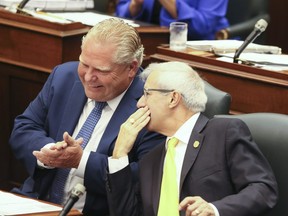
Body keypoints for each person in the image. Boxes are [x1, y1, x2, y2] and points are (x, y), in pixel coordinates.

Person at [9, 18, 165, 215]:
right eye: (84, 64)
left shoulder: (151, 103)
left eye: (101, 70)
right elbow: (24, 127)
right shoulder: (64, 76)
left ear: (131, 68)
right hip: (36, 204)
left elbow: (143, 179)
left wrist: (80, 161)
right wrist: (49, 152)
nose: (88, 77)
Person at [106, 61, 278, 216]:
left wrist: (215, 209)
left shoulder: (223, 133)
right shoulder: (151, 159)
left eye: (147, 94)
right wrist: (119, 154)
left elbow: (263, 189)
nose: (140, 103)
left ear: (173, 98)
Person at [115, 0, 229, 40]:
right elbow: (120, 12)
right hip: (145, 42)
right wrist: (135, 4)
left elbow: (202, 27)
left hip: (194, 50)